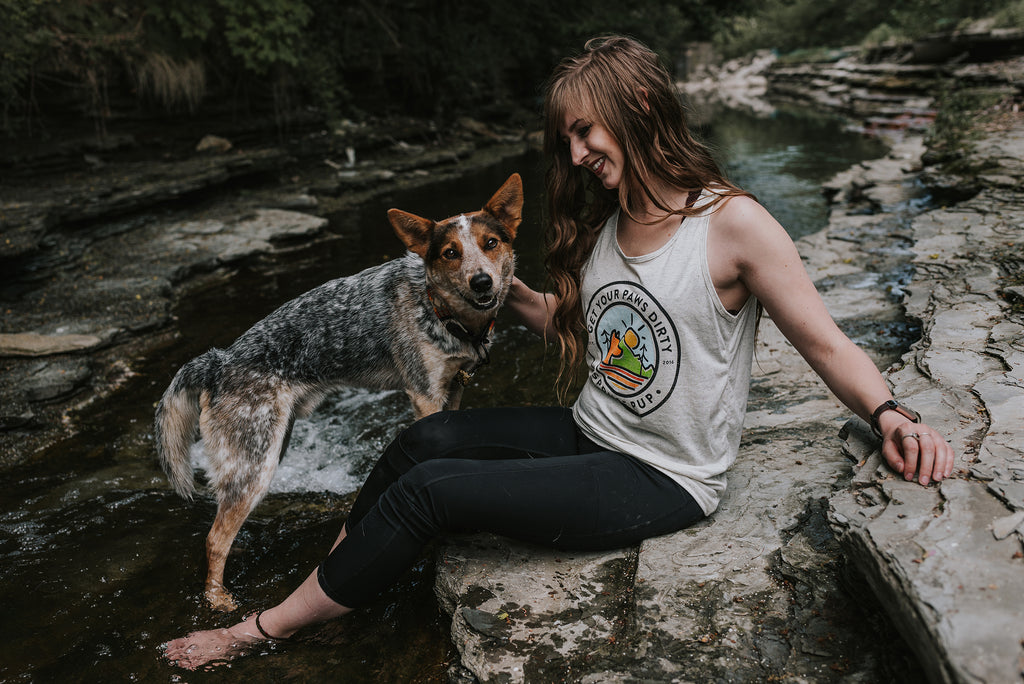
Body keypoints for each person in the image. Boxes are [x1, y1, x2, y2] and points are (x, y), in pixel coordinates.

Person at [162, 35, 955, 670]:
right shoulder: (610, 227)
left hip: (664, 475)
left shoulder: (734, 225)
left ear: (640, 104)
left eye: (584, 131)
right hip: (591, 430)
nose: (573, 155)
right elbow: (574, 332)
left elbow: (822, 339)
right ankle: (336, 585)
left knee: (433, 491)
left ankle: (261, 632)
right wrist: (480, 282)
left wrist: (890, 411)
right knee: (420, 440)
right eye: (567, 138)